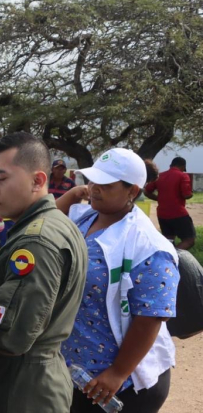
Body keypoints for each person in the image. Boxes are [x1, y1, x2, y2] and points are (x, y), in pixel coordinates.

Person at [57, 148, 179, 413]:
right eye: (92, 181)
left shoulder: (150, 248)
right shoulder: (84, 218)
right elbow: (49, 224)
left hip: (119, 385)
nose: (94, 189)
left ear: (132, 192)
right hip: (77, 372)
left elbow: (151, 316)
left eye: (106, 185)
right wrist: (71, 195)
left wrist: (118, 372)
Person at [0, 132, 88, 413]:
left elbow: (12, 335)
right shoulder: (50, 225)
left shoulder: (36, 240)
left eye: (0, 178)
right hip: (28, 381)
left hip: (22, 390)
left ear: (38, 181)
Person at [144, 156, 195, 250]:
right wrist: (191, 193)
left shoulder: (160, 176)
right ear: (183, 166)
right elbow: (186, 195)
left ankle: (168, 258)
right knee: (189, 240)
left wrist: (159, 198)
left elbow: (146, 192)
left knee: (169, 240)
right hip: (178, 213)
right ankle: (173, 255)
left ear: (171, 165)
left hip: (162, 214)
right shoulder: (183, 175)